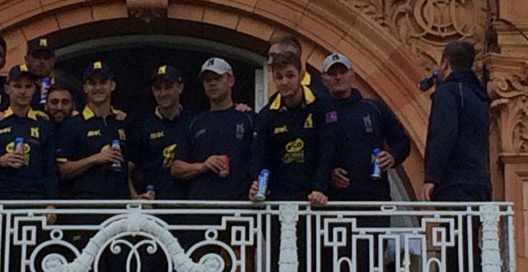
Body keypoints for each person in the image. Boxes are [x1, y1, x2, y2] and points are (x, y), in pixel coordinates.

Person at [423, 40, 492, 272]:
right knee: (470, 250)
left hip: (457, 184)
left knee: (456, 252)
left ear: (445, 63)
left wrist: (431, 177)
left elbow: (443, 136)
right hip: (479, 182)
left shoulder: (449, 93)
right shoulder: (477, 95)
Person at [321, 52, 410, 202]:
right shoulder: (320, 112)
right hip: (336, 202)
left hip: (374, 198)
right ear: (324, 80)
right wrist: (328, 173)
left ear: (352, 75)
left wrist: (393, 157)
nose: (338, 77)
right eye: (332, 74)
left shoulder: (373, 108)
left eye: (342, 72)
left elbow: (402, 140)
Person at [249, 50, 333, 205]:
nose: (284, 82)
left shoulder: (323, 104)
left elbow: (327, 148)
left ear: (301, 75)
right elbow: (260, 157)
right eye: (279, 77)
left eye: (290, 75)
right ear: (273, 78)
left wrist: (319, 188)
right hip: (279, 198)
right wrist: (257, 185)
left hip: (316, 196)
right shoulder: (266, 115)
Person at [171, 58, 255, 202]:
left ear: (231, 80)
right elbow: (175, 168)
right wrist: (202, 166)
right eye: (207, 80)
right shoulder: (195, 122)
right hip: (202, 207)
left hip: (239, 208)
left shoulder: (248, 118)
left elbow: (263, 159)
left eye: (217, 78)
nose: (212, 83)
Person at [0, 64, 58, 200]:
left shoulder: (44, 125)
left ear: (34, 90)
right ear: (7, 88)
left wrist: (51, 203)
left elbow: (50, 170)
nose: (23, 91)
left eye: (28, 86)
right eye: (17, 86)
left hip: (33, 199)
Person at [56, 60, 134, 200]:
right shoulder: (72, 124)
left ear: (112, 85)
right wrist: (95, 159)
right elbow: (61, 170)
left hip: (119, 205)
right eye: (92, 83)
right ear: (85, 87)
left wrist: (135, 196)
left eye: (103, 82)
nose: (98, 87)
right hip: (87, 205)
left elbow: (128, 167)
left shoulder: (122, 122)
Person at [128, 64, 193, 201]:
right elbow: (126, 168)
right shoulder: (143, 126)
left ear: (180, 88)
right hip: (154, 208)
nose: (163, 93)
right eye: (158, 88)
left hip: (190, 205)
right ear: (152, 91)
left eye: (168, 87)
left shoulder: (195, 121)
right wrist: (134, 197)